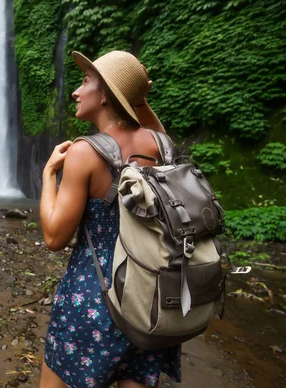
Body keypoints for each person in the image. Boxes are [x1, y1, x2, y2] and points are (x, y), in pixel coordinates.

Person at [39, 50, 182, 388]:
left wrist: (48, 175)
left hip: (95, 298)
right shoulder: (163, 146)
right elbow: (152, 127)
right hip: (151, 299)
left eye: (86, 81)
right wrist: (138, 98)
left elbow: (54, 238)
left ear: (106, 95)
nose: (76, 91)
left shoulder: (84, 153)